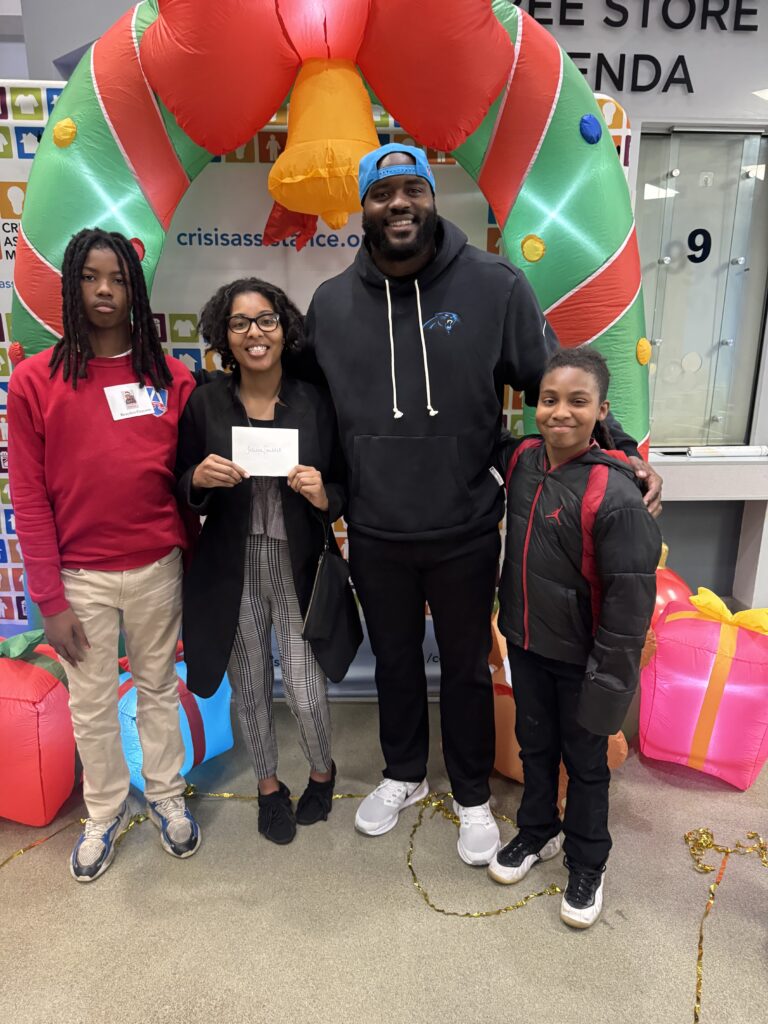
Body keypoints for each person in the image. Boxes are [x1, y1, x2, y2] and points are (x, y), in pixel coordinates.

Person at [296, 143, 662, 866]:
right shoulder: (331, 304)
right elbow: (321, 418)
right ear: (362, 209)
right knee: (396, 660)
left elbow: (551, 382)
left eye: (413, 190)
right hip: (375, 526)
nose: (399, 204)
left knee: (462, 664)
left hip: (464, 524)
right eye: (382, 193)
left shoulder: (494, 285)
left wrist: (621, 454)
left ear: (433, 199)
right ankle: (403, 773)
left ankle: (468, 794)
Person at [8, 227, 201, 882]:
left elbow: (188, 485)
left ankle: (169, 800)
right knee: (89, 703)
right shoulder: (36, 383)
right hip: (80, 579)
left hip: (157, 569)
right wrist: (50, 601)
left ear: (135, 288)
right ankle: (104, 811)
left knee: (156, 690)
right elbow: (30, 500)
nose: (104, 290)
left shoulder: (170, 378)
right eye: (90, 277)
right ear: (71, 285)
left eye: (117, 277)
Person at [176, 278, 360, 846]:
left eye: (266, 321)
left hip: (297, 562)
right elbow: (180, 480)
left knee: (305, 689)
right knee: (251, 685)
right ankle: (268, 786)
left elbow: (344, 485)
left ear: (285, 330)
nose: (254, 333)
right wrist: (199, 481)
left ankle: (322, 775)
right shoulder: (205, 401)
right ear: (223, 335)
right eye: (240, 323)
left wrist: (322, 493)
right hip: (231, 566)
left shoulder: (313, 400)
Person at [488, 347, 661, 928]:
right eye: (549, 400)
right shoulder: (522, 460)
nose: (560, 412)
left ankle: (589, 861)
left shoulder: (616, 494)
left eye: (578, 402)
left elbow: (630, 602)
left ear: (602, 411)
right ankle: (538, 831)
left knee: (585, 764)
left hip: (584, 658)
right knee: (535, 747)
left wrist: (609, 683)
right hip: (526, 642)